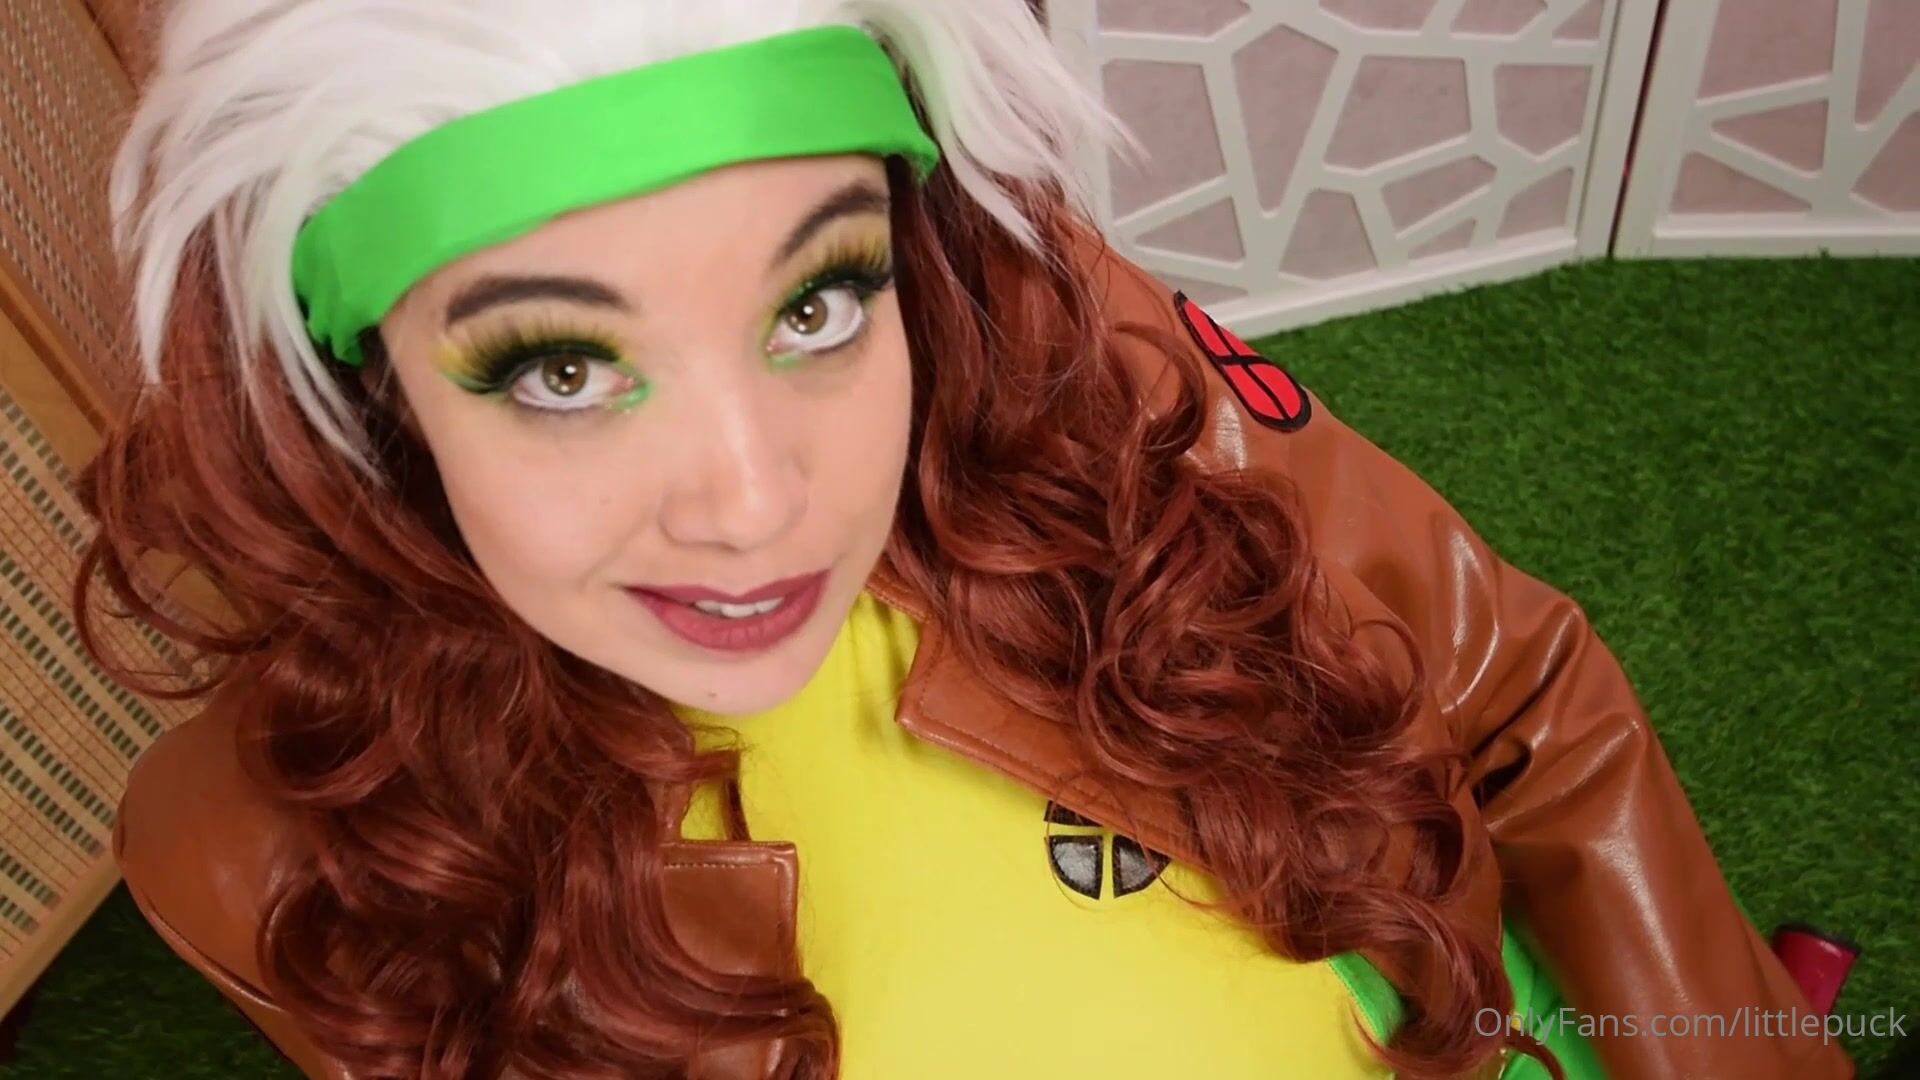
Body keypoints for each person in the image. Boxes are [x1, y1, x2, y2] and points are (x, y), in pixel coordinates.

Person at [77, 2, 1849, 1078]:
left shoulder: (1077, 362)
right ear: (370, 395)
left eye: (817, 303)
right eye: (560, 365)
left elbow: (1517, 697)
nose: (754, 503)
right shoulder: (249, 847)